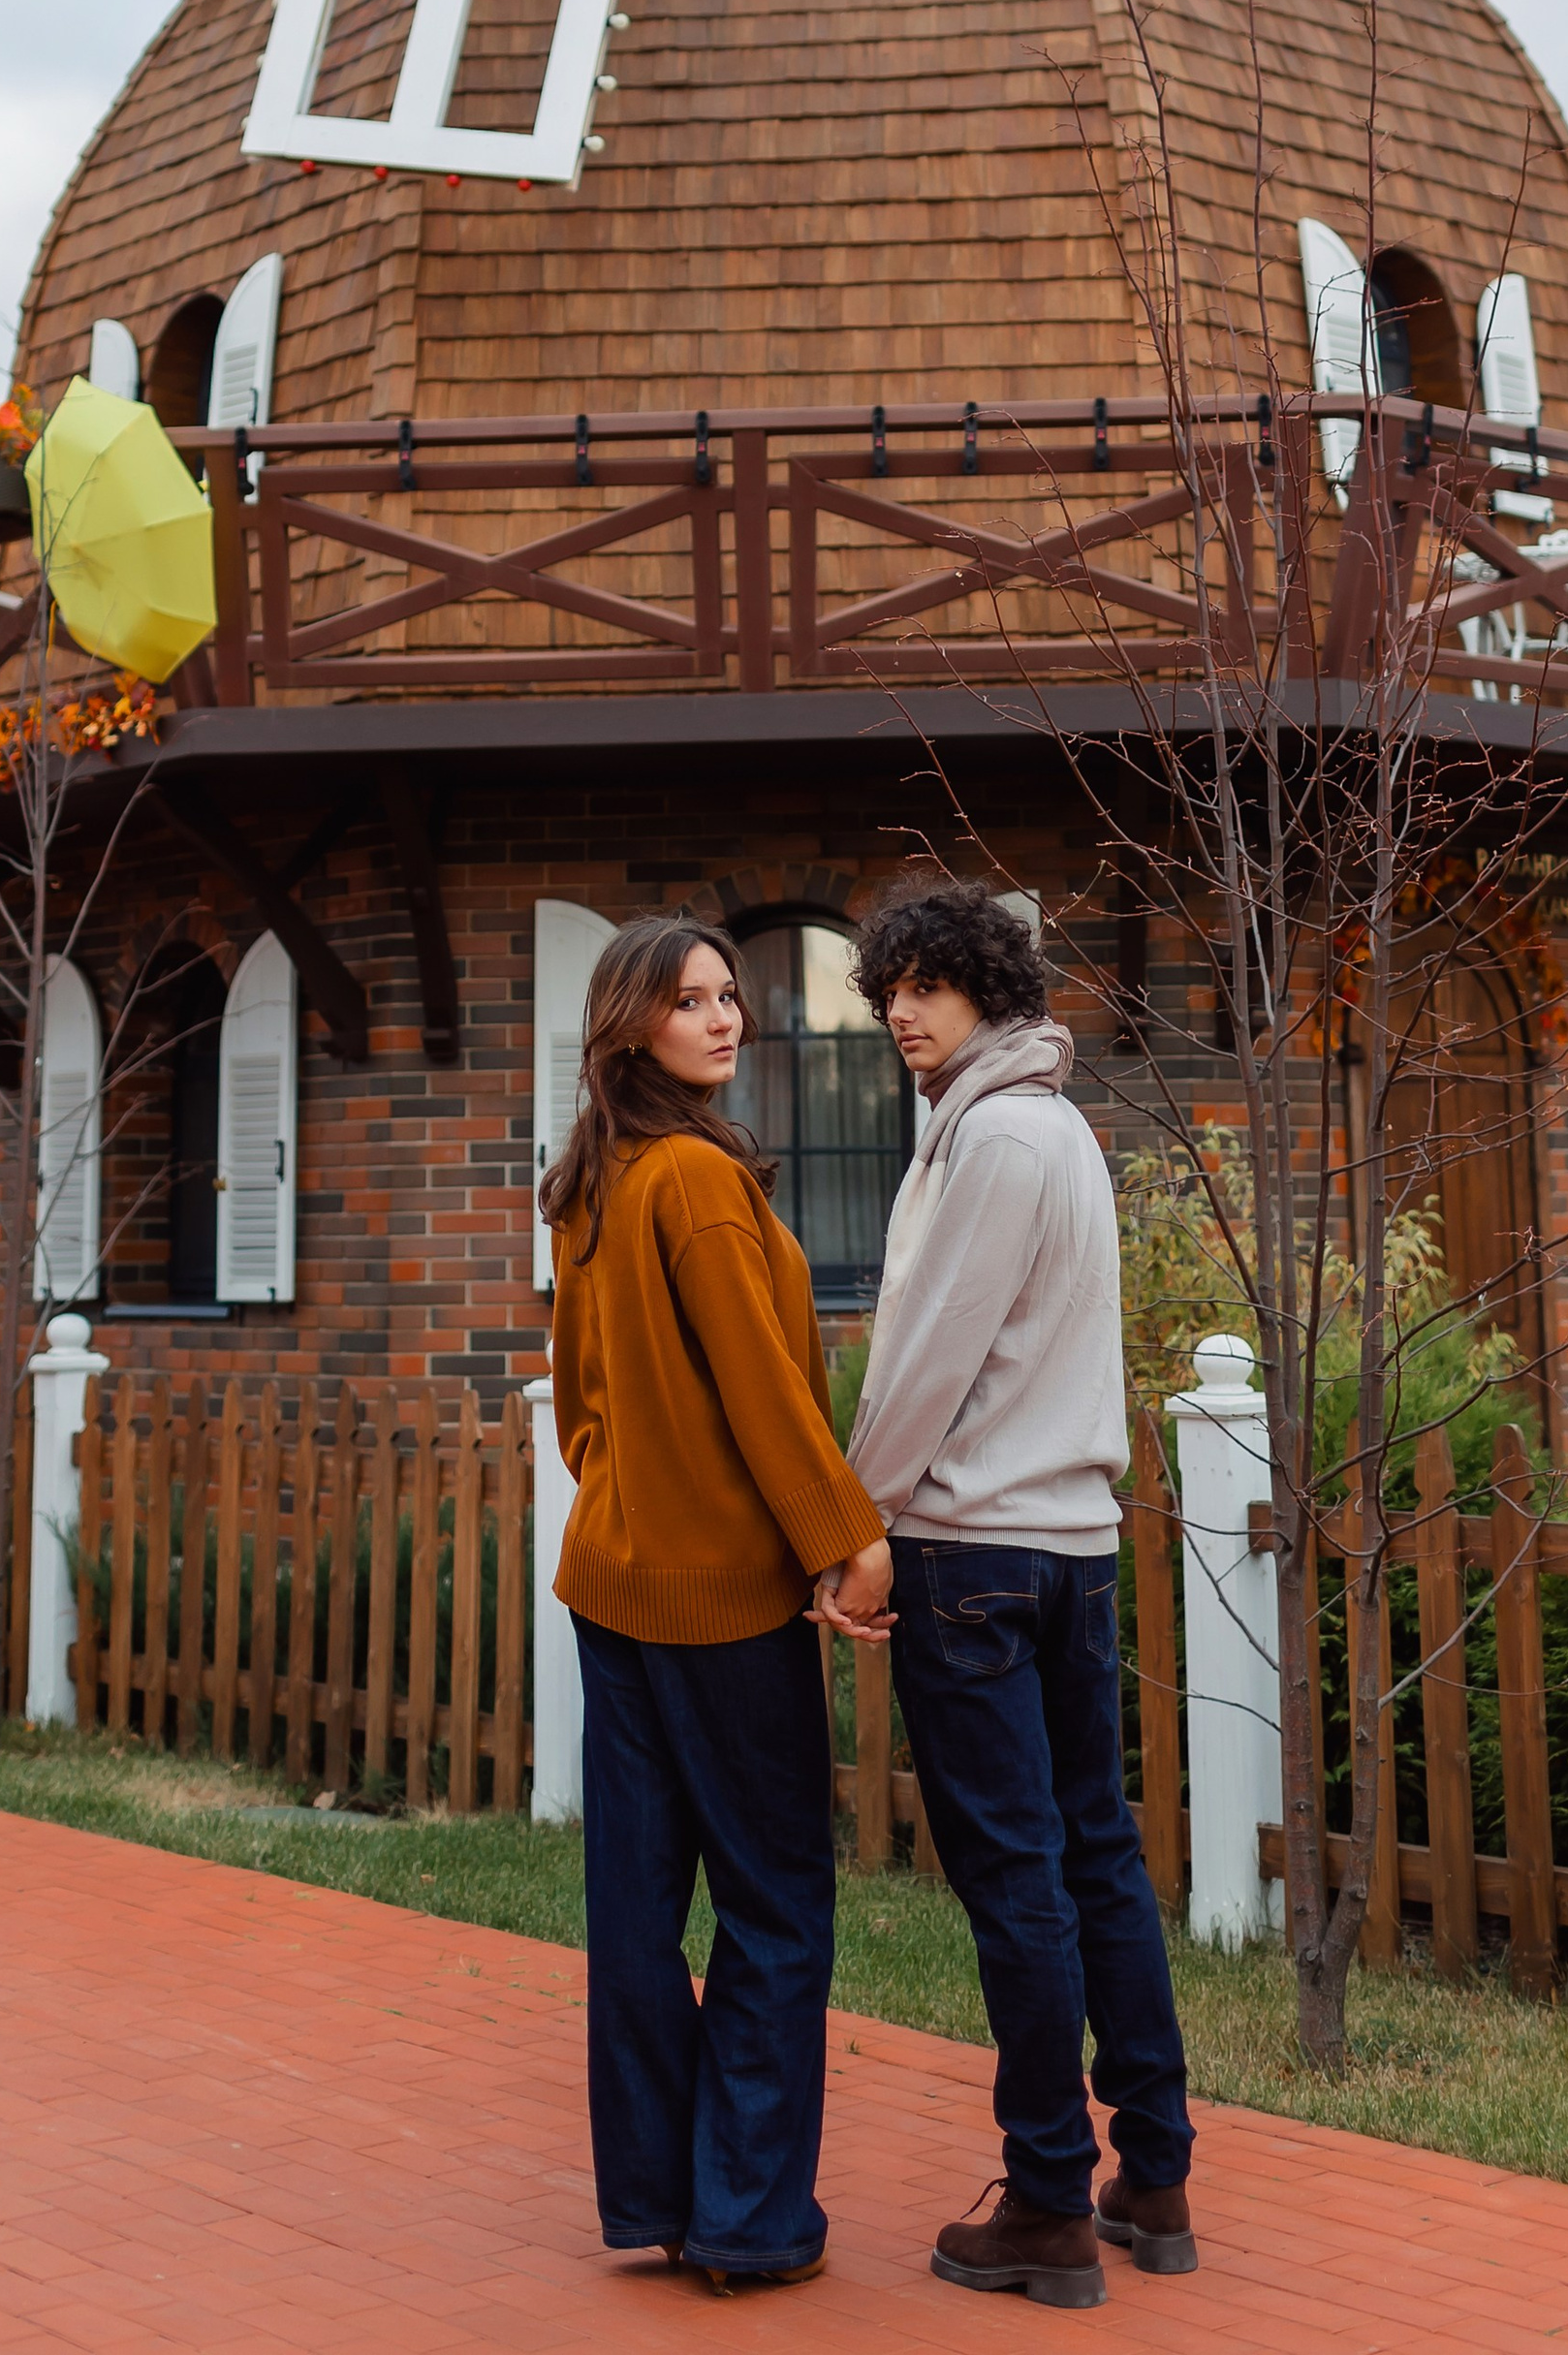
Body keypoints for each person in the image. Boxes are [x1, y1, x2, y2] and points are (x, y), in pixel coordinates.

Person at [823, 877, 1197, 2308]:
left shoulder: (992, 1138)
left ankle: (1048, 2196)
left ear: (989, 982)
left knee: (1023, 1877)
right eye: (888, 992)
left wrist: (851, 1521)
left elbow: (927, 1358)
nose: (903, 1012)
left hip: (970, 1552)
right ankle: (1151, 2173)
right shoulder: (1064, 1131)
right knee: (1095, 1853)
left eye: (927, 983)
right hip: (1073, 1547)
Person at [543, 911, 892, 2293]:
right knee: (776, 1903)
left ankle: (662, 2196)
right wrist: (847, 1539)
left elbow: (580, 1410)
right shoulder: (689, 1176)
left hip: (611, 1581)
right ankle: (747, 2215)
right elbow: (762, 1387)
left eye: (731, 994)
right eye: (691, 1000)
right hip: (721, 1604)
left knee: (636, 1905)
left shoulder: (595, 1175)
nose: (725, 1016)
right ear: (633, 1022)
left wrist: (630, 1490)